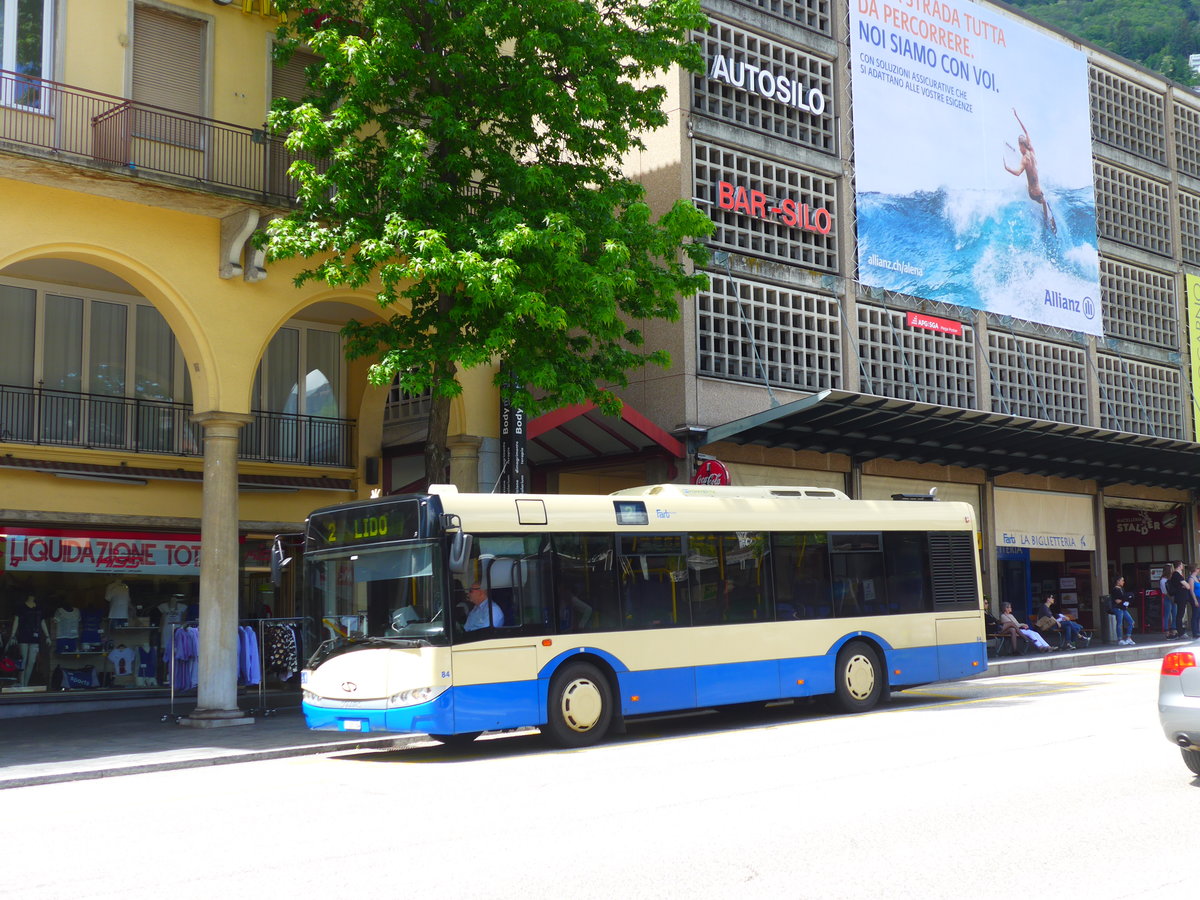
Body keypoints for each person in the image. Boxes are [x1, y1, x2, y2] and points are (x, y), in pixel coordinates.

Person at [1003, 108, 1056, 233]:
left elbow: (1017, 173)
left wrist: (1007, 167)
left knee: (1035, 195)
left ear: (1021, 145)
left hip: (1033, 194)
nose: (1018, 147)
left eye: (1018, 145)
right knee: (1043, 201)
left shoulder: (1025, 159)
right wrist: (1016, 116)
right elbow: (1026, 130)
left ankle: (1045, 219)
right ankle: (1046, 215)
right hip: (1039, 191)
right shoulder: (1032, 151)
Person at [7, 595, 49, 687]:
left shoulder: (39, 607)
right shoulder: (21, 607)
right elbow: (16, 620)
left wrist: (47, 636)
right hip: (23, 636)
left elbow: (42, 621)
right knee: (23, 661)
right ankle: (21, 684)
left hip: (35, 637)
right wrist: (13, 635)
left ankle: (25, 684)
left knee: (31, 662)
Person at [1168, 561, 1191, 639]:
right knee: (1180, 614)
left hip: (1181, 596)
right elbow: (1188, 586)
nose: (1183, 566)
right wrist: (1185, 586)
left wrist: (1185, 586)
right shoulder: (1176, 574)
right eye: (1181, 565)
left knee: (1180, 614)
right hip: (1180, 597)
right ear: (1179, 566)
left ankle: (1180, 630)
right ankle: (1180, 632)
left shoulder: (1176, 575)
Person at [1110, 576, 1135, 645]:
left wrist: (1126, 602)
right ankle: (1120, 639)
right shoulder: (1115, 589)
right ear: (1118, 581)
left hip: (1123, 608)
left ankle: (1128, 638)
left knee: (1131, 622)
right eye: (1122, 580)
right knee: (1119, 623)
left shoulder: (1122, 589)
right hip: (1118, 608)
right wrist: (1124, 603)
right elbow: (1117, 600)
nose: (1123, 582)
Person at [1160, 566, 1176, 638]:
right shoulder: (1163, 580)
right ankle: (1167, 630)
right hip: (1167, 597)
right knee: (1167, 614)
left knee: (1174, 613)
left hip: (1170, 596)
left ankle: (1173, 629)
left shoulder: (1169, 579)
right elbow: (1164, 591)